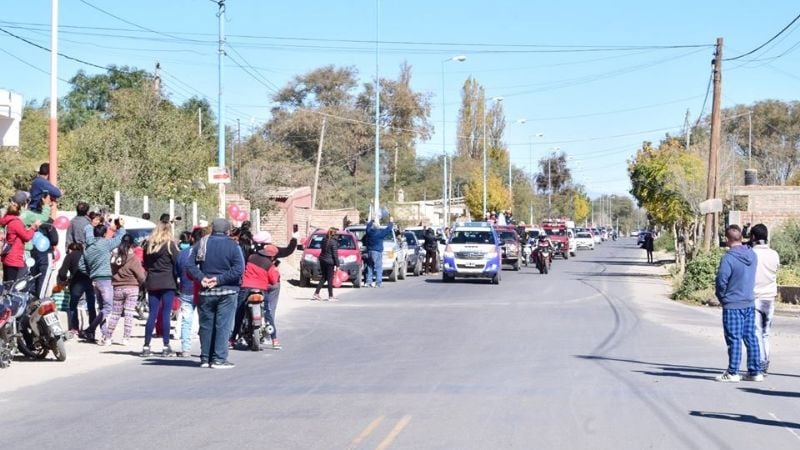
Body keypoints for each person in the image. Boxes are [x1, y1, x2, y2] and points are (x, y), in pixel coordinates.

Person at [188, 218, 245, 369]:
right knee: (223, 325)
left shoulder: (201, 243)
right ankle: (219, 359)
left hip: (206, 291)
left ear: (212, 229)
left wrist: (202, 278)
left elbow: (190, 265)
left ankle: (205, 358)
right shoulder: (233, 246)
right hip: (227, 291)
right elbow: (239, 268)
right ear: (228, 230)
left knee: (206, 326)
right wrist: (219, 279)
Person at [714, 225, 762, 382]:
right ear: (741, 237)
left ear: (727, 239)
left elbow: (721, 281)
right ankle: (755, 371)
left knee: (734, 338)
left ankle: (733, 371)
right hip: (749, 301)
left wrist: (722, 298)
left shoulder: (728, 258)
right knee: (751, 337)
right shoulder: (752, 255)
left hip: (733, 303)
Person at [80, 219, 126, 342]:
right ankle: (90, 329)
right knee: (108, 308)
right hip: (105, 279)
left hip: (94, 279)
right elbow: (120, 238)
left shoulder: (87, 248)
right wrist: (120, 226)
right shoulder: (105, 244)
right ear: (105, 233)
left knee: (102, 308)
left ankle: (105, 335)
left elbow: (81, 265)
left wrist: (91, 273)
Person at [141, 220, 180, 357]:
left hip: (152, 281)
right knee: (165, 314)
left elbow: (145, 264)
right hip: (168, 282)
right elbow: (177, 263)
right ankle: (165, 345)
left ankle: (146, 346)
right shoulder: (170, 245)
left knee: (152, 314)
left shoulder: (149, 245)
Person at [236, 235, 281, 348]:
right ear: (272, 256)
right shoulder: (270, 265)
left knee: (239, 312)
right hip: (261, 289)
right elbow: (274, 280)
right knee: (267, 312)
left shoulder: (251, 257)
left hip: (246, 287)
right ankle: (274, 339)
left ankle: (232, 339)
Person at [101, 234, 146, 346]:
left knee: (115, 314)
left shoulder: (114, 257)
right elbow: (141, 276)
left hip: (117, 287)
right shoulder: (133, 258)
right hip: (132, 288)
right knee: (129, 313)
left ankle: (108, 337)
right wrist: (143, 283)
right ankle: (126, 338)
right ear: (131, 244)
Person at [749, 224, 780, 375]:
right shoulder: (774, 254)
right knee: (765, 333)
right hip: (770, 298)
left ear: (753, 237)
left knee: (756, 332)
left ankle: (761, 363)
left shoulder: (751, 254)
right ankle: (765, 361)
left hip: (755, 297)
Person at [0, 191, 41, 283]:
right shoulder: (16, 222)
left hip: (7, 255)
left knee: (6, 283)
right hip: (14, 257)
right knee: (13, 285)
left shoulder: (7, 219)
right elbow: (26, 237)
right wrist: (33, 227)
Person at [175, 229, 202, 357]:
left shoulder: (182, 254)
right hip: (202, 289)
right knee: (204, 320)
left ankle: (186, 348)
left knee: (186, 320)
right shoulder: (205, 253)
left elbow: (177, 272)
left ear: (192, 238)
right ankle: (205, 348)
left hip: (185, 289)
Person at [57, 242, 93, 338]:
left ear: (70, 249)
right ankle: (91, 330)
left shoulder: (70, 256)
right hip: (89, 281)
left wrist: (65, 280)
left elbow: (62, 272)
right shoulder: (86, 255)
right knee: (90, 306)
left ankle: (75, 328)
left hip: (76, 282)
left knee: (73, 305)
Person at [363, 219, 394, 288]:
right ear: (378, 227)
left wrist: (371, 221)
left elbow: (367, 226)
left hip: (370, 252)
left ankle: (368, 282)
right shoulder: (380, 233)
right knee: (378, 268)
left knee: (369, 267)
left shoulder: (369, 232)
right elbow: (388, 229)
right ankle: (378, 283)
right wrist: (391, 222)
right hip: (377, 252)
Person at [312, 227, 340, 301]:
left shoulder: (324, 240)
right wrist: (337, 265)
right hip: (329, 262)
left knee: (324, 277)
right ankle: (330, 296)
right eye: (337, 234)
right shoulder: (333, 242)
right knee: (330, 279)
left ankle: (316, 293)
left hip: (322, 260)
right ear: (335, 234)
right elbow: (335, 254)